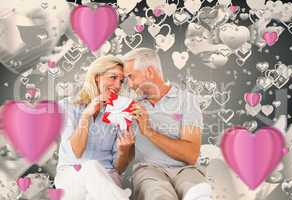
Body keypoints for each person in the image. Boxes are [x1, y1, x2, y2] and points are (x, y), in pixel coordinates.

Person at [122, 48, 212, 200]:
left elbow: (190, 155)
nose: (129, 84)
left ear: (149, 72)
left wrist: (148, 131)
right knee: (157, 194)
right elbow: (122, 158)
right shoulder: (130, 106)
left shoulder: (187, 101)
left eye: (131, 77)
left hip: (186, 170)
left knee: (198, 192)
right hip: (149, 170)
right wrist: (124, 148)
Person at [54, 55, 134, 200]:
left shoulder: (119, 113)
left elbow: (119, 168)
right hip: (71, 176)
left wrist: (124, 150)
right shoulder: (67, 106)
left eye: (121, 81)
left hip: (107, 177)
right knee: (91, 167)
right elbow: (76, 153)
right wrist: (85, 116)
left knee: (95, 180)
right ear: (97, 77)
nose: (117, 85)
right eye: (113, 77)